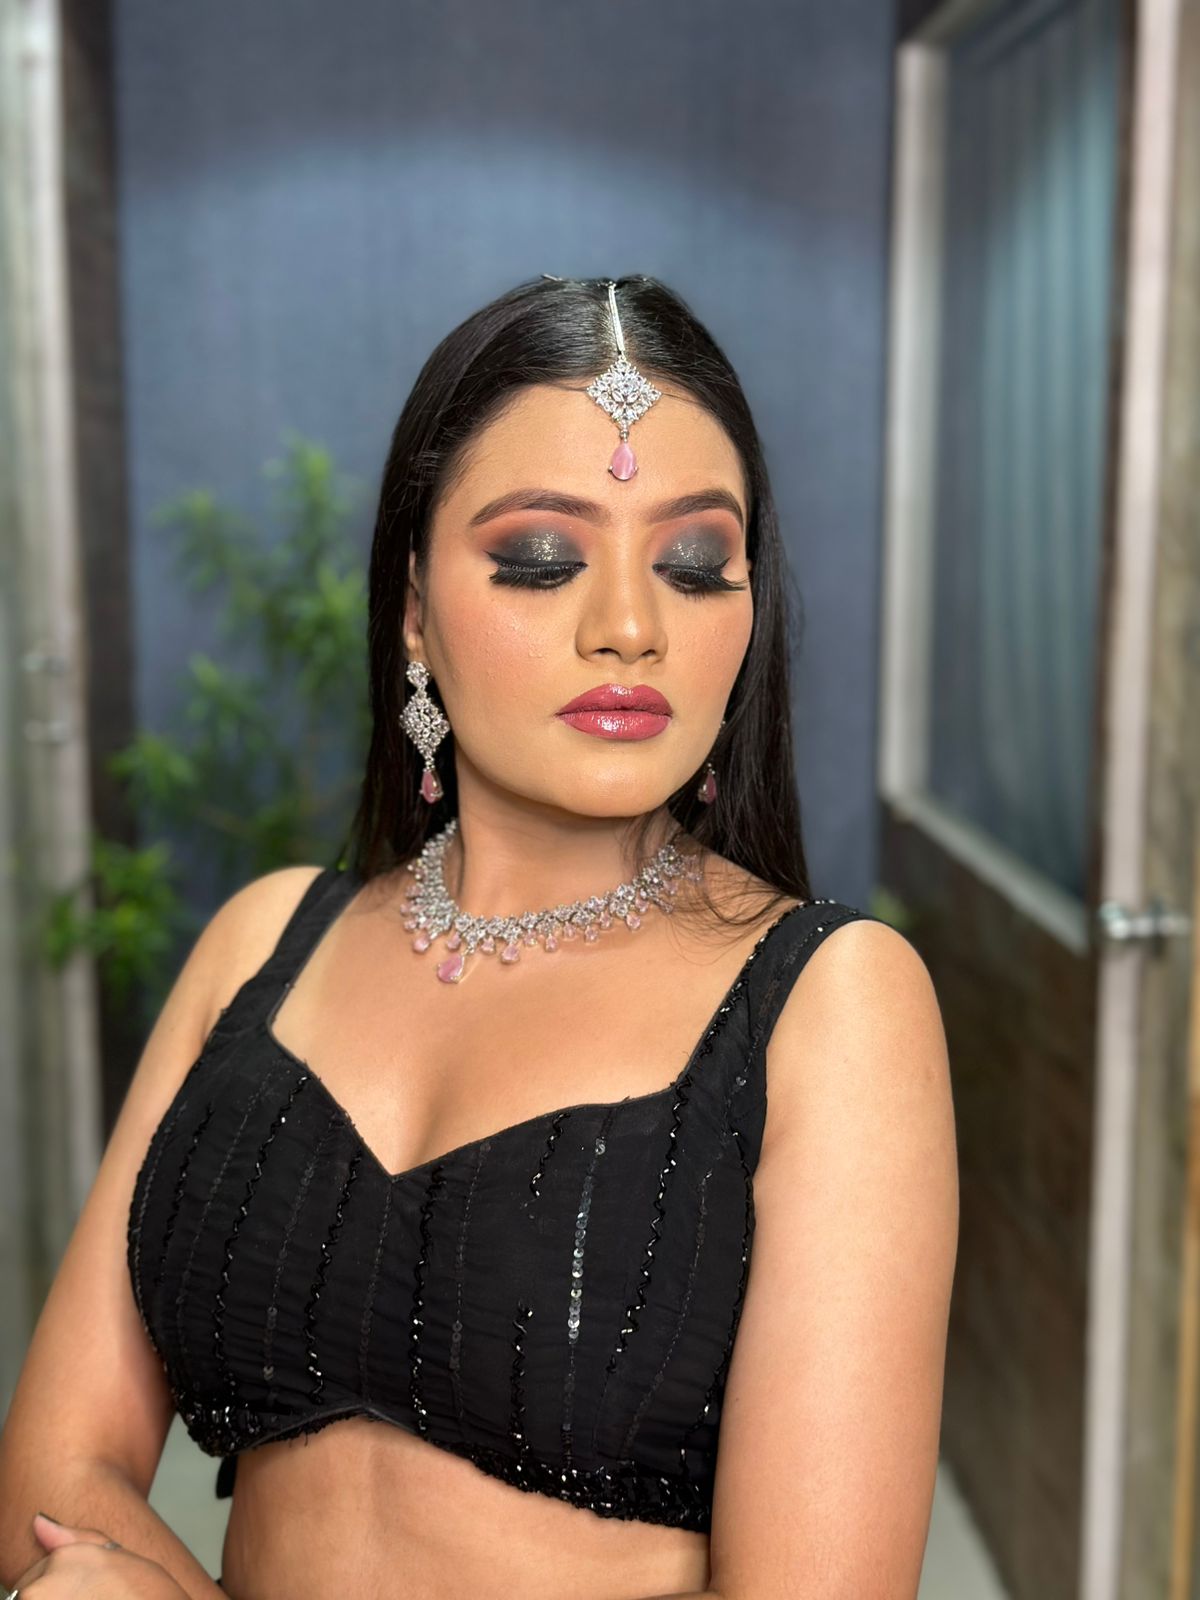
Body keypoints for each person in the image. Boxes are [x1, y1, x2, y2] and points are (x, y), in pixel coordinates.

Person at [0, 275, 958, 1600]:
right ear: (413, 610)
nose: (630, 626)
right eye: (541, 558)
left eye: (693, 566)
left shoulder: (827, 1003)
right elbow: (56, 1479)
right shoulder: (264, 946)